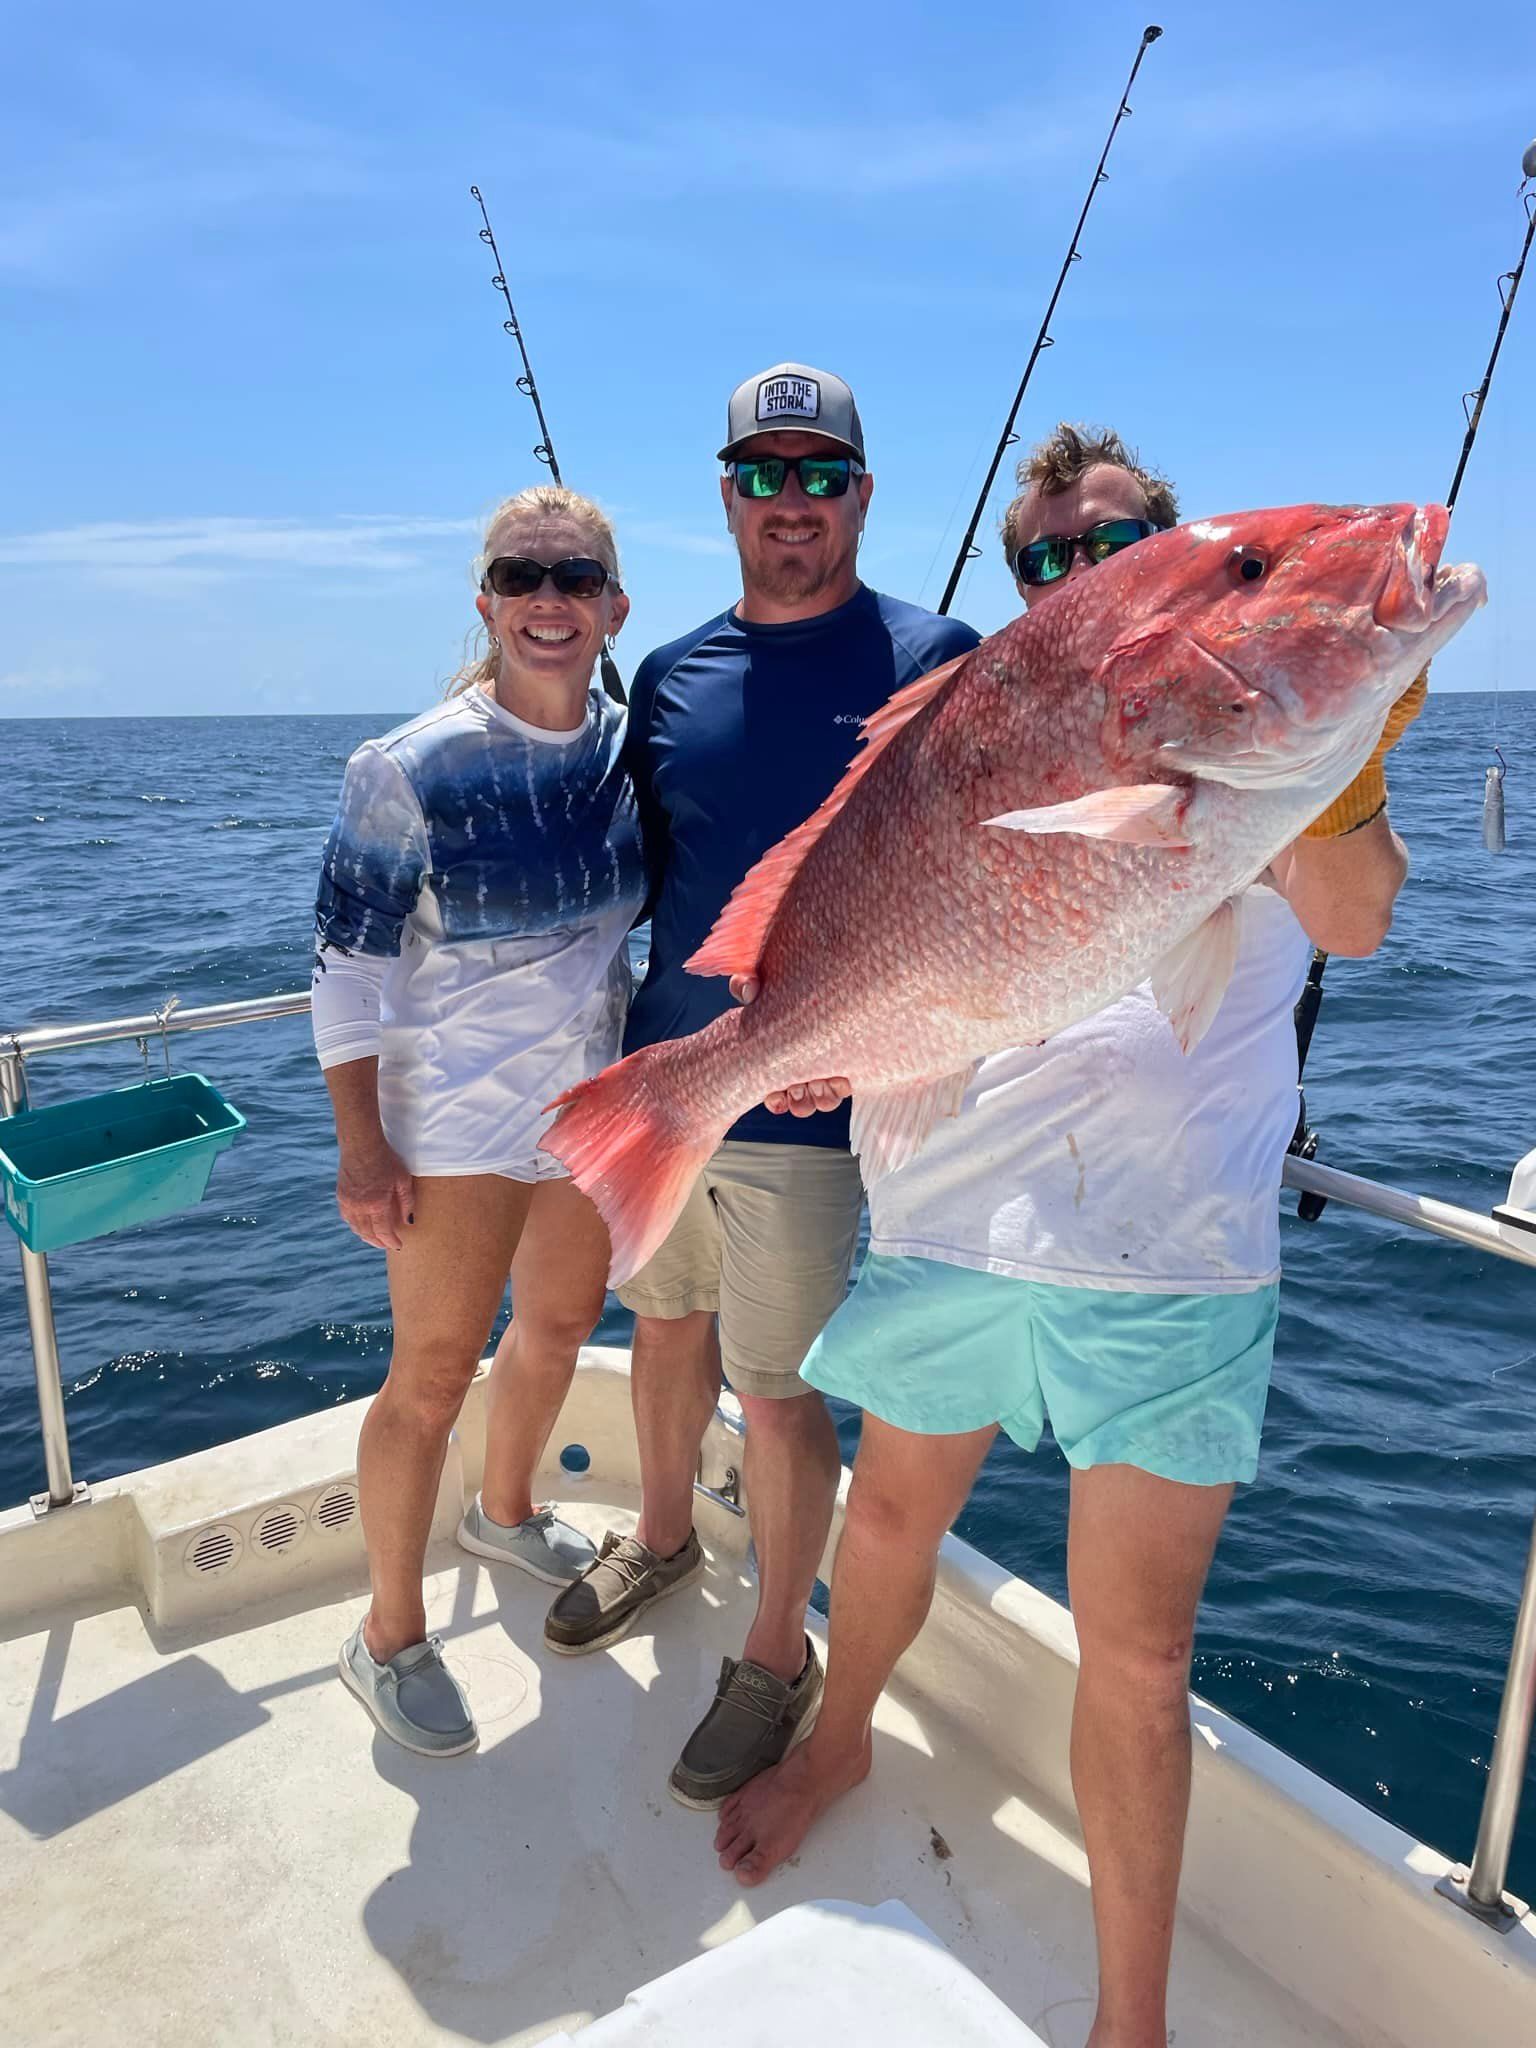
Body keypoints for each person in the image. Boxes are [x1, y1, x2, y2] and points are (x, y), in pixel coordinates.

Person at [711, 425, 1423, 2048]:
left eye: (1114, 542)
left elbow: (1356, 915)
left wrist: (1353, 742)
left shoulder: (1257, 730)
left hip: (1172, 1263)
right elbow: (907, 937)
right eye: (1041, 558)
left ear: (1169, 552)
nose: (1076, 572)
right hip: (953, 1216)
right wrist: (824, 1041)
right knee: (887, 1524)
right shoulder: (989, 731)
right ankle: (839, 1740)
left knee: (1140, 1652)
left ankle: (1129, 2019)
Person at [542, 363, 980, 1810]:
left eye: (820, 474)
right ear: (726, 496)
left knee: (779, 1388)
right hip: (672, 1081)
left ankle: (779, 1648)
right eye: (764, 474)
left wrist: (862, 1040)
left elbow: (971, 877)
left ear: (863, 494)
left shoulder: (939, 653)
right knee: (665, 1326)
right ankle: (665, 1534)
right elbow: (642, 877)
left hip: (816, 1103)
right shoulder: (670, 673)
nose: (792, 502)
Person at [312, 483, 645, 1757]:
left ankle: (501, 1512)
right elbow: (345, 970)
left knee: (558, 1324)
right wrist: (362, 1147)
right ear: (487, 601)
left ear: (615, 606)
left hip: (587, 1108)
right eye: (521, 575)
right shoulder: (406, 765)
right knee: (433, 1375)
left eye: (576, 577)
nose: (549, 599)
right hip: (449, 1125)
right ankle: (388, 1632)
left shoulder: (629, 750)